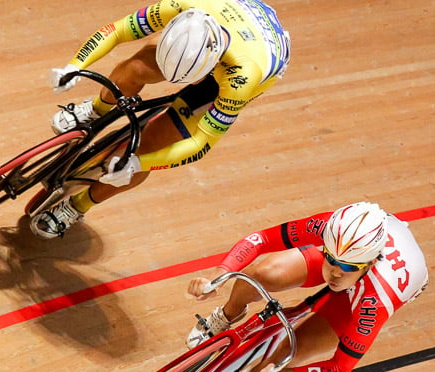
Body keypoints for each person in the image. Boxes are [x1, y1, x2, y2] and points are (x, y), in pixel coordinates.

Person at [168, 202, 429, 372]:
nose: (336, 272)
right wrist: (218, 277)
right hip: (361, 258)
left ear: (369, 263)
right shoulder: (331, 229)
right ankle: (227, 314)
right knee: (264, 273)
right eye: (331, 259)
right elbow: (260, 240)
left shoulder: (373, 305)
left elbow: (339, 368)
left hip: (371, 291)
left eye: (347, 267)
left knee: (286, 357)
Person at [30, 0, 291, 239]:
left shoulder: (241, 77)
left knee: (150, 149)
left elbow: (202, 143)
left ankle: (78, 205)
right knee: (135, 69)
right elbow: (118, 30)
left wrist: (138, 163)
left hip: (256, 55)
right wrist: (74, 66)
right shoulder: (182, 7)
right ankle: (97, 109)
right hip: (226, 19)